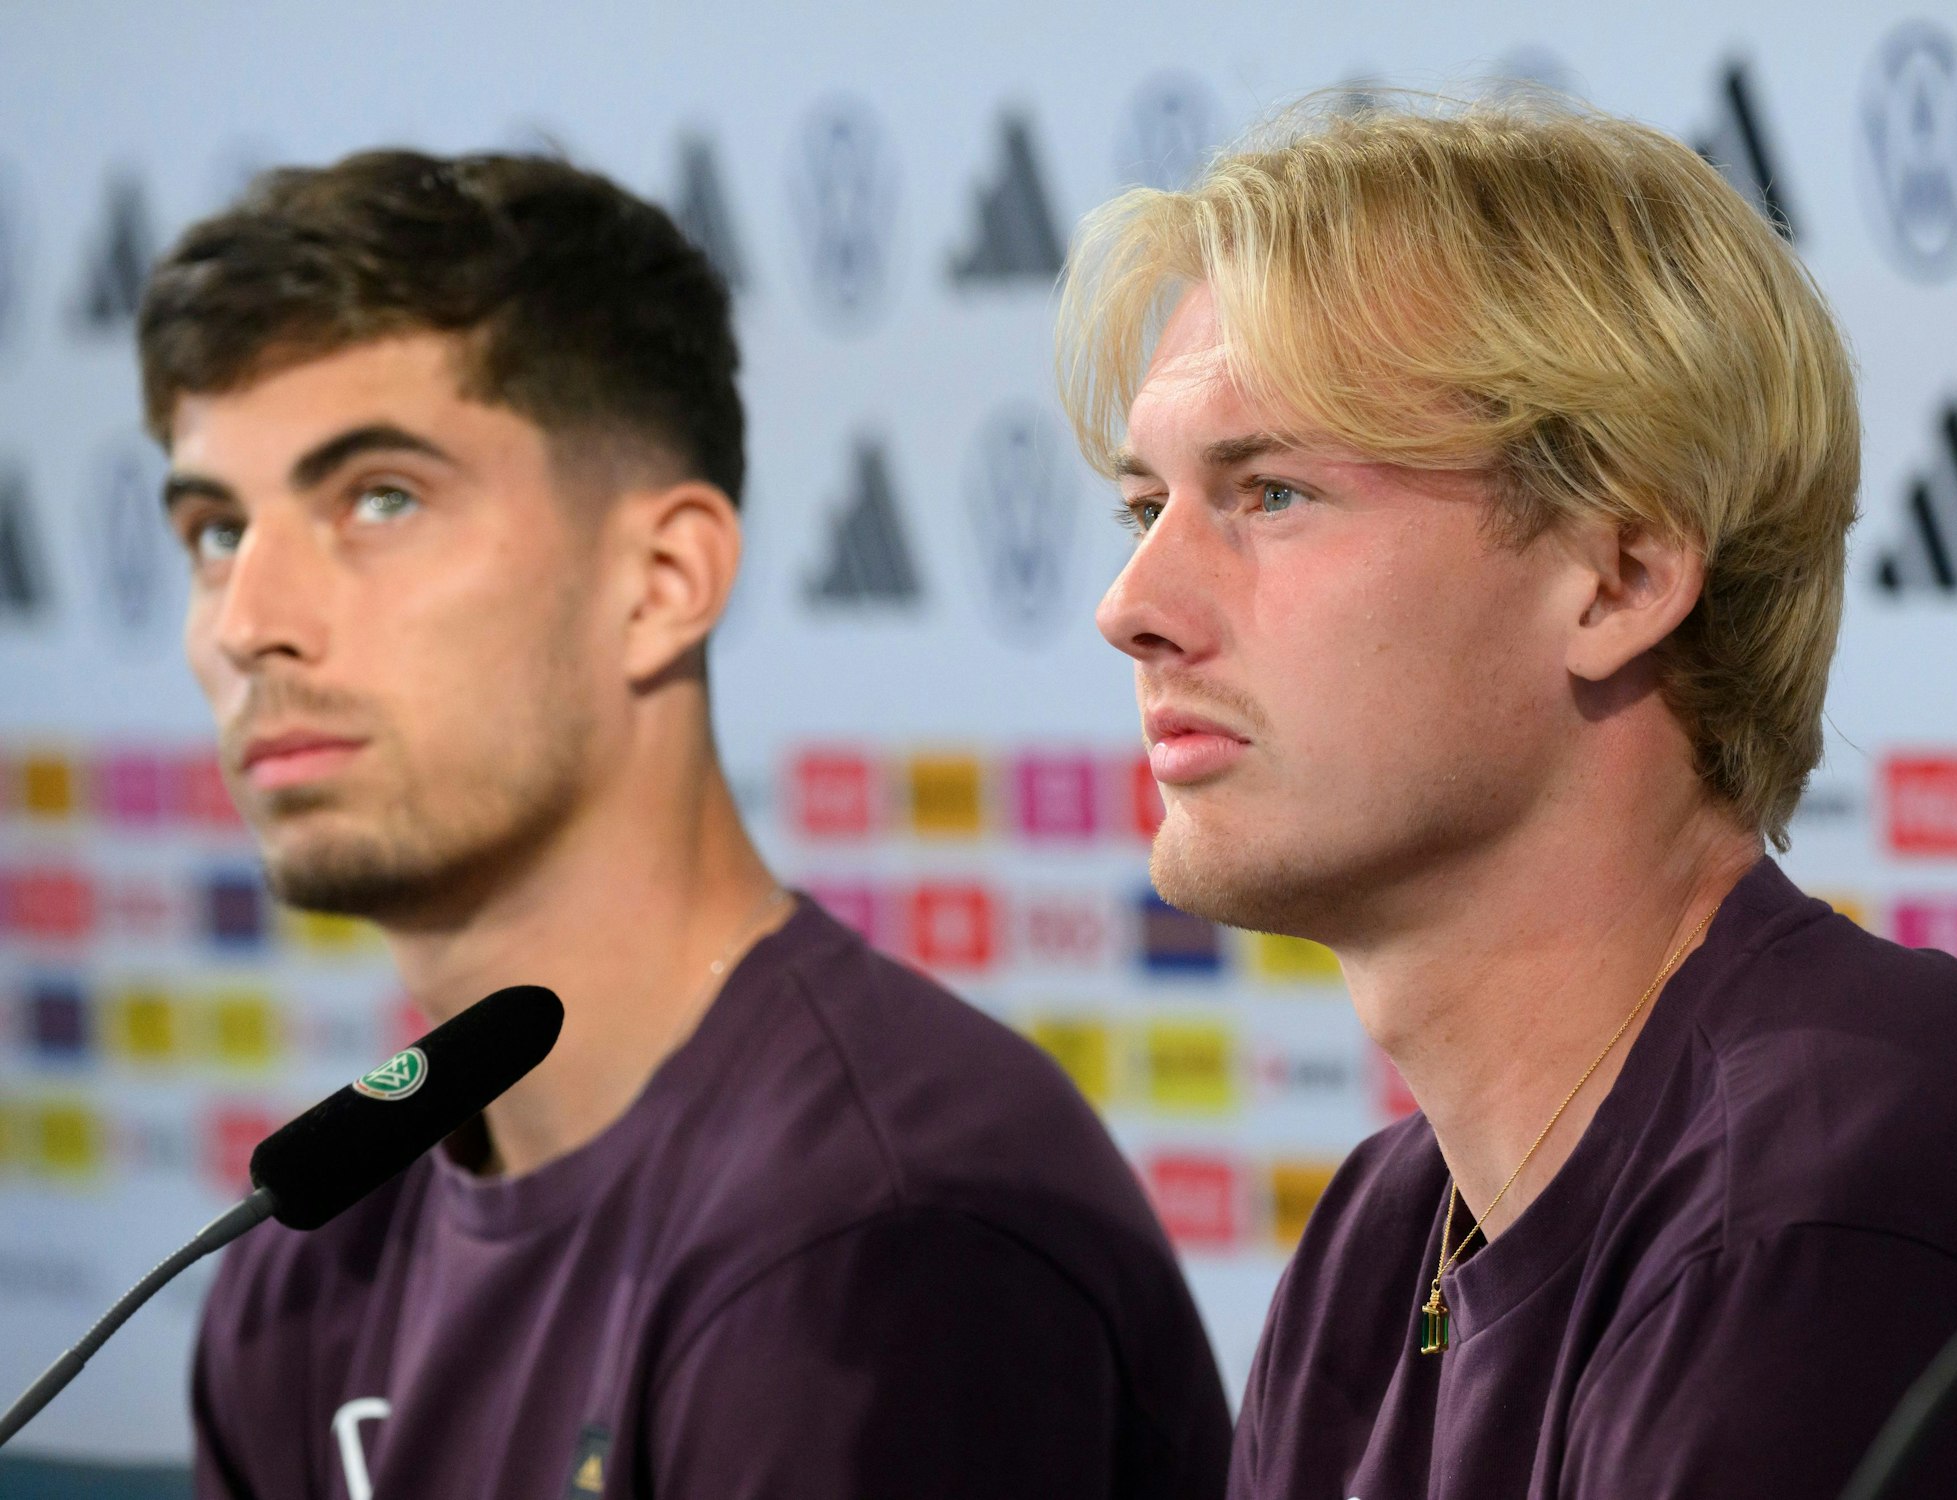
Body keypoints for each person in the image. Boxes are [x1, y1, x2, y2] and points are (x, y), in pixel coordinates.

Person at [142, 149, 1230, 1500]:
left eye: (380, 499)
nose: (248, 621)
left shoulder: (883, 1232)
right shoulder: (306, 1253)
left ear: (664, 580)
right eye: (211, 531)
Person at [1056, 97, 1957, 1498]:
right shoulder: (1378, 1249)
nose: (1130, 608)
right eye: (1149, 510)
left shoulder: (1843, 1205)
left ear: (1619, 577)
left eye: (1270, 495)